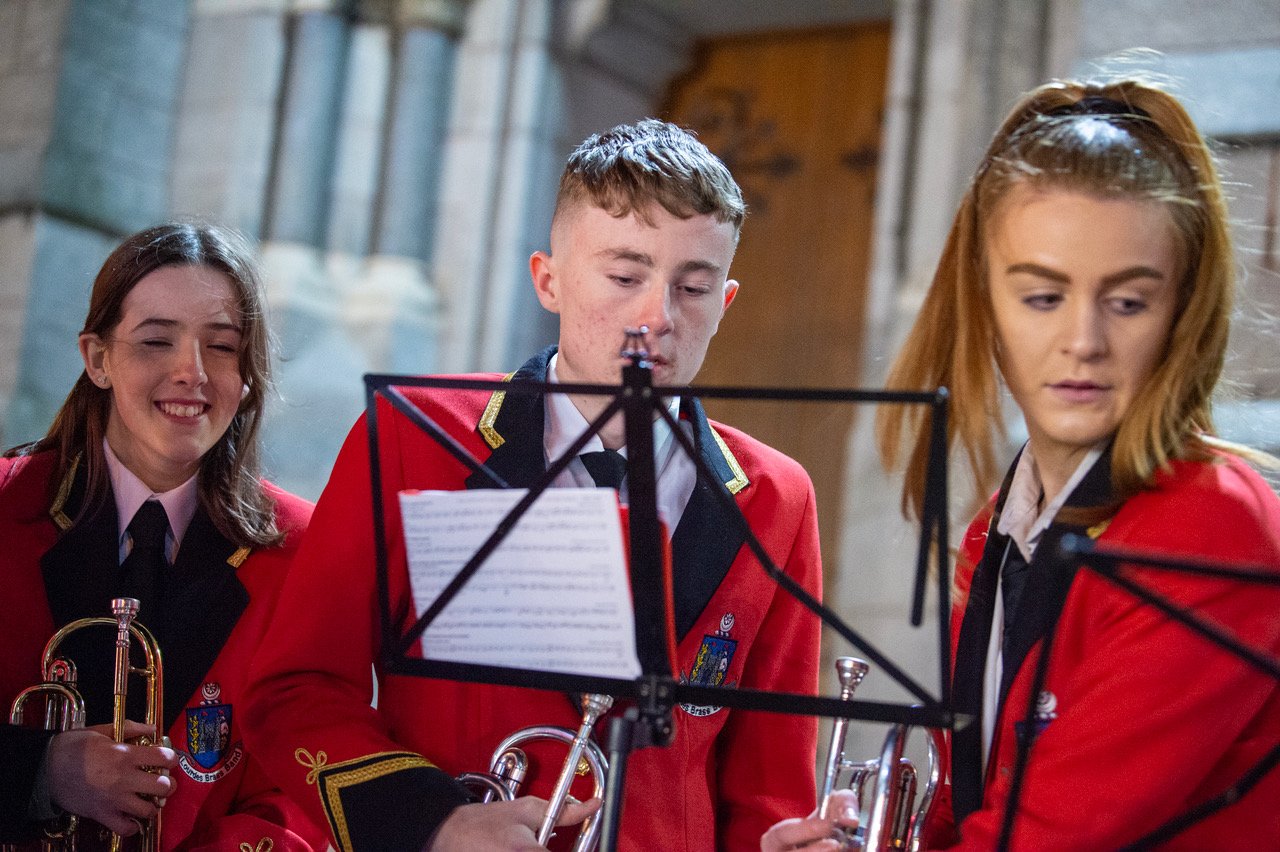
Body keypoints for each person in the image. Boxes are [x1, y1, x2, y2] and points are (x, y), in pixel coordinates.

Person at [242, 119, 823, 852]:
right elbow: (293, 692)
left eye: (694, 286)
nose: (659, 317)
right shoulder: (413, 433)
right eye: (624, 276)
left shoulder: (777, 496)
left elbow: (767, 789)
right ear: (548, 279)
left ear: (725, 303)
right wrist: (432, 821)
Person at [868, 77, 1280, 849]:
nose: (1084, 341)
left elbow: (1051, 834)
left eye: (1127, 302)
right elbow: (971, 810)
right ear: (983, 303)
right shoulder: (995, 527)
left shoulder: (1216, 521)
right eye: (1042, 297)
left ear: (1181, 312)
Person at [0, 223, 327, 851]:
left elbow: (301, 790)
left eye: (223, 347)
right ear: (97, 359)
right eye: (155, 341)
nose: (192, 373)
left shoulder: (301, 551)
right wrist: (42, 769)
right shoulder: (5, 510)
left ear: (249, 376)